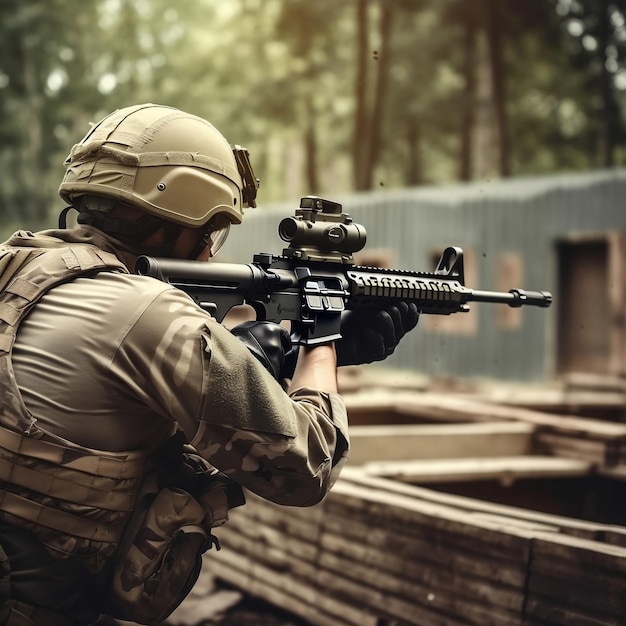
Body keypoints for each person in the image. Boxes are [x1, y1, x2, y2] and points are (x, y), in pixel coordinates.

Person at [0, 103, 418, 625]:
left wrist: (279, 357)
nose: (210, 252)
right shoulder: (152, 314)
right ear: (189, 220)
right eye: (214, 232)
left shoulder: (16, 268)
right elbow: (307, 465)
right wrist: (322, 342)